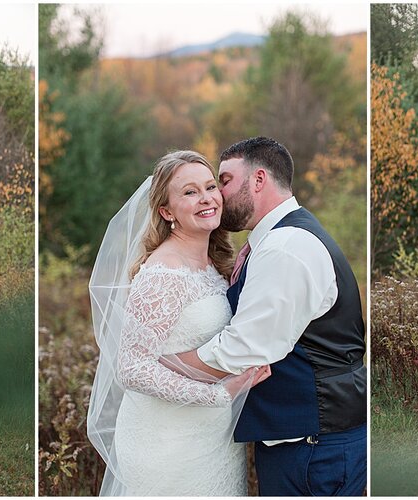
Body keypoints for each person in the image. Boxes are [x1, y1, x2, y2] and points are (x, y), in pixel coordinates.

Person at [172, 137, 367, 496]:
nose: (217, 195)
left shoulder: (285, 247)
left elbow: (244, 348)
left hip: (316, 448)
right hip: (302, 439)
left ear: (258, 180)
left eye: (224, 182)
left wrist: (165, 366)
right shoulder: (275, 239)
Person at [87, 150, 271, 496]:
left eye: (210, 187)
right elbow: (131, 367)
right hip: (166, 443)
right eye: (189, 192)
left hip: (212, 439)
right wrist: (218, 394)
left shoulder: (212, 265)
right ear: (166, 211)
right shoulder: (162, 274)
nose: (206, 199)